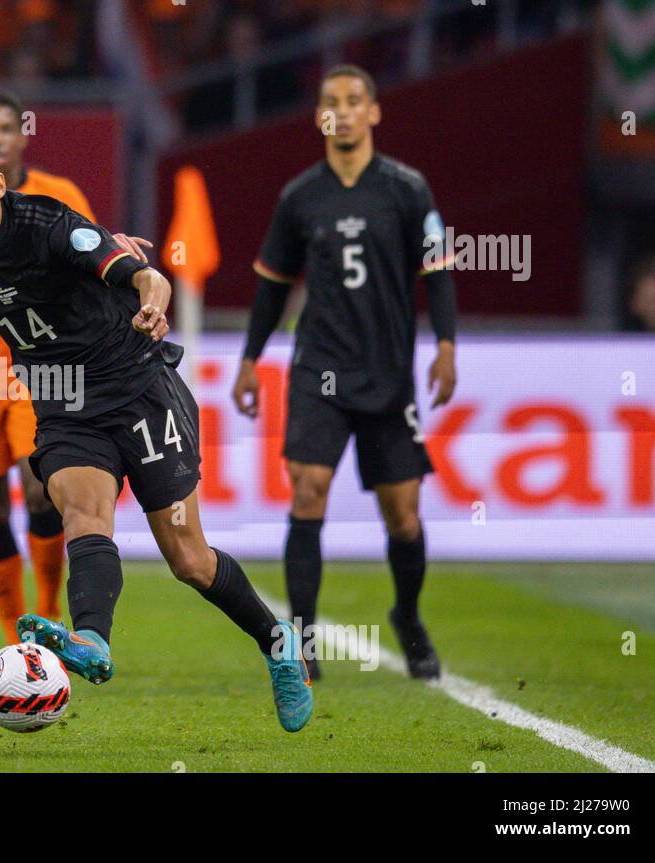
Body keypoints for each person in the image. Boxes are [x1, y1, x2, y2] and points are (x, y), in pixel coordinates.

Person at [0, 128, 313, 732]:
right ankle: (91, 639)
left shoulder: (49, 224)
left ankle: (279, 646)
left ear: (0, 186)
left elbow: (144, 274)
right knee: (82, 513)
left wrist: (152, 301)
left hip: (137, 387)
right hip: (63, 401)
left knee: (189, 559)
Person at [231, 64, 459, 680]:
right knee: (307, 488)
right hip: (319, 370)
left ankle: (407, 617)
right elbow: (272, 285)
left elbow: (437, 271)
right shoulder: (300, 196)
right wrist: (250, 360)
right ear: (320, 117)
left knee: (403, 515)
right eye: (332, 101)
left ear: (374, 112)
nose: (344, 110)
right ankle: (301, 641)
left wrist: (446, 345)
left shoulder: (408, 190)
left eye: (356, 99)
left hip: (387, 374)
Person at [0, 87, 104, 646]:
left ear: (23, 135)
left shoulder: (58, 195)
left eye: (4, 129)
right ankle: (14, 635)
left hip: (42, 364)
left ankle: (47, 615)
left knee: (41, 490)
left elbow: (89, 265)